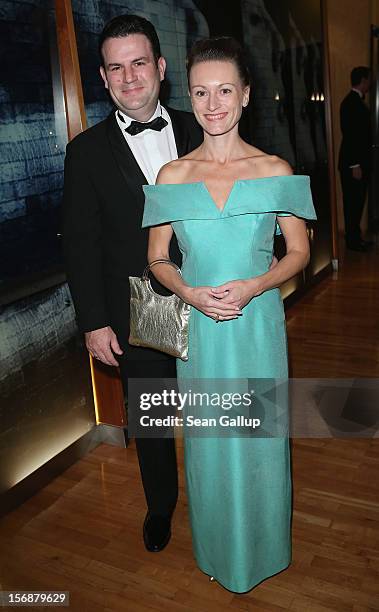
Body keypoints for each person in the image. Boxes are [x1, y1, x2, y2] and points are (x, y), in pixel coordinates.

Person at [142, 37, 316, 592]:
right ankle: (218, 548)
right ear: (188, 97)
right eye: (200, 92)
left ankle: (264, 550)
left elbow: (299, 251)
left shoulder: (274, 169)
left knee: (261, 440)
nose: (213, 104)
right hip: (202, 333)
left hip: (257, 327)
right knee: (211, 445)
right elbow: (156, 259)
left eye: (224, 90)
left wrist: (258, 283)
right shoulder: (172, 176)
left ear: (245, 95)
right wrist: (190, 294)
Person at [62, 14, 203, 553]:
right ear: (102, 77)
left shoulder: (202, 128)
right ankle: (161, 507)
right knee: (154, 419)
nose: (129, 77)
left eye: (139, 62)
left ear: (161, 67)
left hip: (211, 298)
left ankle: (219, 496)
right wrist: (93, 322)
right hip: (135, 311)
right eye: (116, 68)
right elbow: (79, 244)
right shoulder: (86, 151)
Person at [338, 66, 372, 252]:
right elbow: (351, 135)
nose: (371, 83)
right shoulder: (351, 103)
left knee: (357, 202)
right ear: (363, 80)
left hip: (357, 163)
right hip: (353, 164)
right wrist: (355, 164)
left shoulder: (355, 102)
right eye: (369, 79)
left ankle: (356, 237)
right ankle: (353, 240)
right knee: (353, 202)